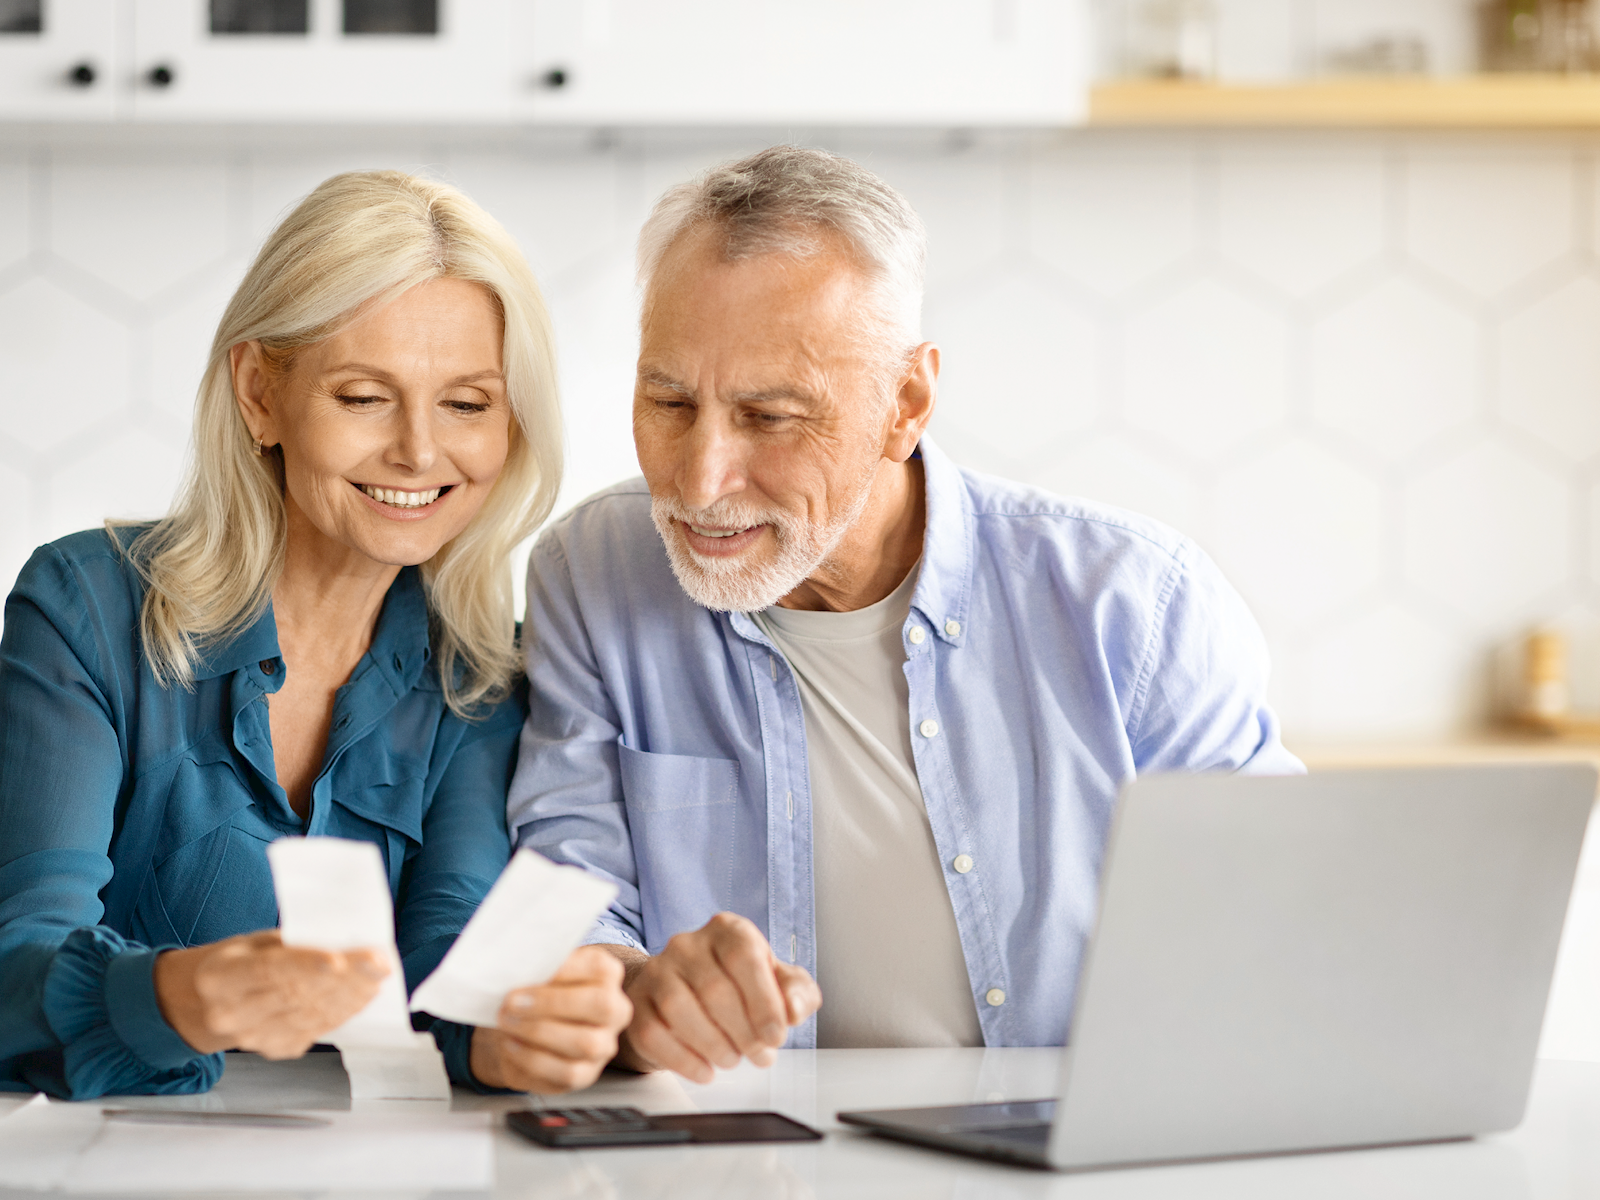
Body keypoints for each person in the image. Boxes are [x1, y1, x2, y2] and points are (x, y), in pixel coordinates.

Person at [507, 146, 1302, 1084]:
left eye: (770, 417)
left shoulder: (1136, 603)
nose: (698, 478)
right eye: (668, 400)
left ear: (907, 403)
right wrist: (634, 1000)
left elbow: (1279, 932)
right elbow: (565, 897)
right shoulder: (591, 575)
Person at [0, 170, 631, 1100]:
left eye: (467, 403)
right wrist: (177, 995)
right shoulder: (84, 606)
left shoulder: (477, 672)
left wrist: (504, 1031)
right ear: (260, 394)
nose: (420, 452)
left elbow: (445, 948)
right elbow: (21, 954)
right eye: (364, 396)